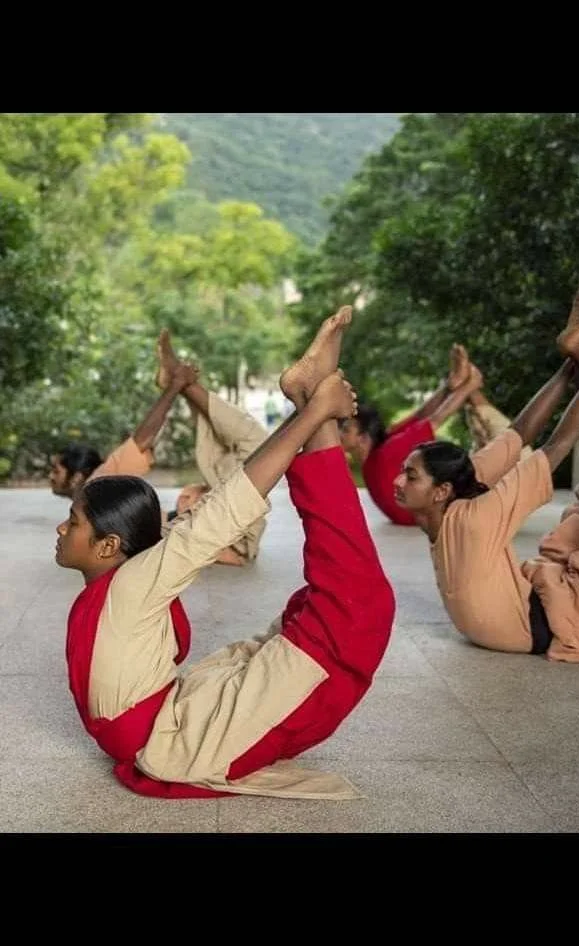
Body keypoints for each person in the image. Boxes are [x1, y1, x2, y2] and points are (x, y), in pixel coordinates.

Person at [56, 306, 396, 799]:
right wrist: (315, 415)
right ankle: (314, 404)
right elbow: (214, 515)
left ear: (109, 545)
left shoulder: (130, 582)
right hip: (181, 740)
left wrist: (315, 415)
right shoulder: (127, 582)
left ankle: (315, 405)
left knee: (337, 607)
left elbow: (219, 513)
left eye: (74, 522)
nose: (61, 528)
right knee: (356, 610)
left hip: (178, 728)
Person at [392, 275, 579, 669]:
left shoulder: (461, 497)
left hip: (538, 607)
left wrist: (570, 371)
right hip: (560, 620)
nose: (398, 481)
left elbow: (520, 432)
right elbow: (553, 446)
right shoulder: (472, 515)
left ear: (443, 489)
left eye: (410, 475)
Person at [156, 330, 271, 567]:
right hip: (229, 527)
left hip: (223, 518)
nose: (186, 493)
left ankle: (182, 384)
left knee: (229, 442)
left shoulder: (170, 519)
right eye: (187, 496)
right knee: (258, 444)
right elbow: (233, 556)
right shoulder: (177, 528)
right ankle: (182, 384)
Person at [339, 344, 487, 526]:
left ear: (363, 438)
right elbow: (420, 416)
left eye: (346, 430)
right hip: (415, 515)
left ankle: (467, 384)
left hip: (434, 510)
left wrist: (470, 386)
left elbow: (435, 420)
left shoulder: (386, 453)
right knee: (418, 422)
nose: (339, 434)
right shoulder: (382, 448)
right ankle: (454, 382)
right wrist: (449, 388)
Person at [48, 363, 199, 498]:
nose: (50, 476)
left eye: (56, 471)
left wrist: (175, 385)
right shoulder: (87, 498)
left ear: (76, 477)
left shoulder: (101, 480)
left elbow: (143, 438)